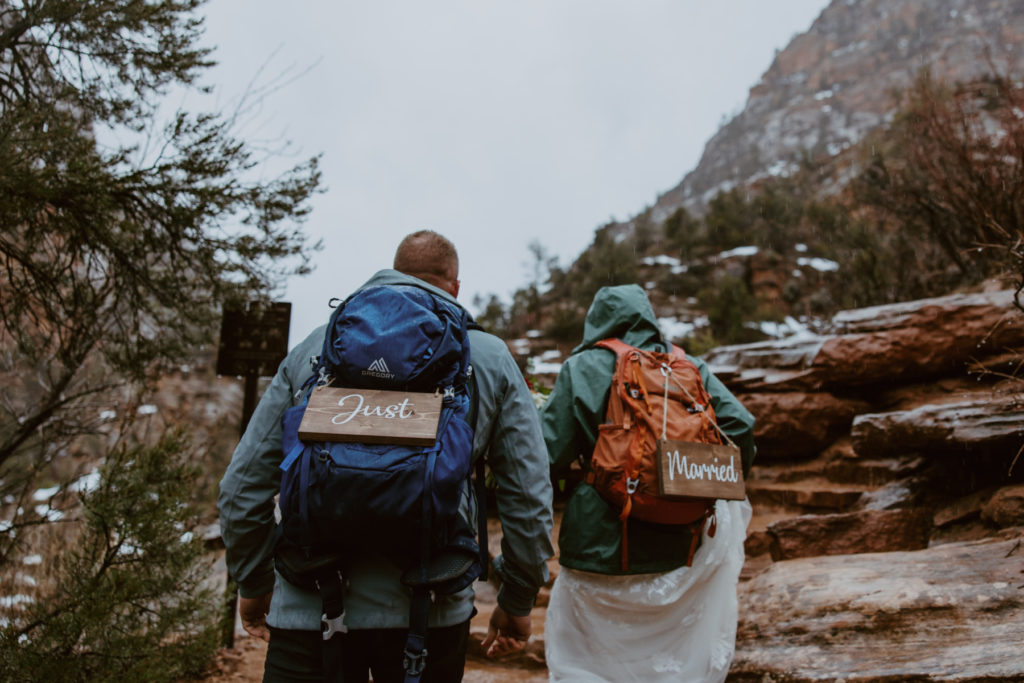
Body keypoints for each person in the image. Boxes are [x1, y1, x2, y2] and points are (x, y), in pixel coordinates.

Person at [218, 230, 555, 682]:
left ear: (392, 274)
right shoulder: (490, 357)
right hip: (430, 612)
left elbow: (241, 489)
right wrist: (515, 602)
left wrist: (255, 582)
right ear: (454, 286)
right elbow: (529, 500)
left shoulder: (317, 346)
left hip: (309, 607)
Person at [540, 284, 755, 683]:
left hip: (599, 548)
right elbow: (741, 426)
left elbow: (544, 455)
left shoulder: (584, 366)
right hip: (681, 544)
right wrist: (693, 479)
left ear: (597, 320)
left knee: (588, 664)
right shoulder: (686, 365)